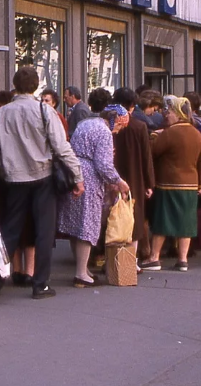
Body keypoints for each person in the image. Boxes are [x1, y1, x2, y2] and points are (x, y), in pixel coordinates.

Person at [0, 67, 84, 299]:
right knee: (43, 231)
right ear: (36, 85)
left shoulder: (2, 113)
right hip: (43, 176)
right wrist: (77, 176)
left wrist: (5, 171)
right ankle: (40, 284)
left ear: (15, 84)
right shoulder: (44, 110)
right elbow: (61, 148)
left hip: (14, 177)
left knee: (10, 230)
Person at [58, 93, 130, 287]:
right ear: (115, 119)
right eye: (121, 125)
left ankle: (82, 269)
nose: (119, 130)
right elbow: (104, 164)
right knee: (86, 225)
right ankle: (81, 273)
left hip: (74, 172)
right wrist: (119, 181)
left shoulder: (85, 124)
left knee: (75, 225)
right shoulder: (104, 131)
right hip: (89, 178)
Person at [139, 97, 201, 272]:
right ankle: (182, 260)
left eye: (169, 112)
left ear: (177, 114)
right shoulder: (197, 134)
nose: (166, 115)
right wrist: (199, 185)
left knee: (163, 220)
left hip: (169, 183)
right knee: (186, 222)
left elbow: (153, 151)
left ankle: (154, 258)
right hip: (191, 184)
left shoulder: (169, 133)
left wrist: (154, 136)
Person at [111, 87, 156, 264]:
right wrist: (149, 183)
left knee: (113, 217)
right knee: (134, 218)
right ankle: (131, 261)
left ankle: (110, 259)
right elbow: (146, 157)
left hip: (112, 176)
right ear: (132, 105)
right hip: (135, 176)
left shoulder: (109, 124)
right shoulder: (139, 126)